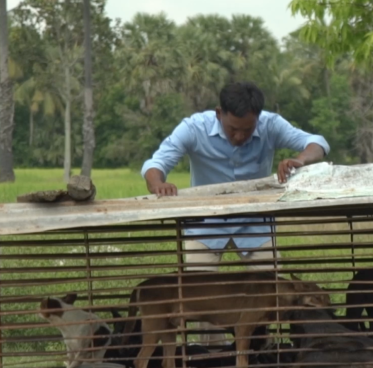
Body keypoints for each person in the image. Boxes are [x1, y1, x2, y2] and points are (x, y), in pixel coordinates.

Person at [141, 81, 329, 272]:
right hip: (205, 222)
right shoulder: (193, 128)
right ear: (218, 113)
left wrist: (301, 160)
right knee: (195, 290)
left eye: (247, 130)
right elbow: (156, 163)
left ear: (258, 117)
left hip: (255, 222)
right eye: (233, 129)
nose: (239, 136)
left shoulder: (271, 125)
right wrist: (157, 183)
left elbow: (317, 143)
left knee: (272, 287)